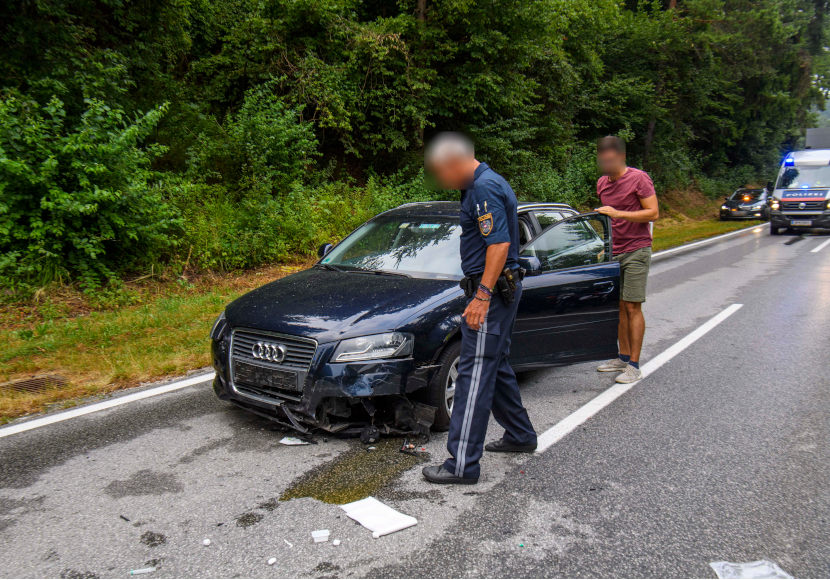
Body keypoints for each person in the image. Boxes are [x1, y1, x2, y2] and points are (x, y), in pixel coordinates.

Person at [421, 133, 537, 485]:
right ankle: (520, 435)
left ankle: (462, 465)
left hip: (492, 293)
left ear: (455, 162)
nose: (442, 180)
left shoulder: (485, 187)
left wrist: (482, 296)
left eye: (442, 172)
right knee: (494, 364)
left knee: (473, 373)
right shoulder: (479, 185)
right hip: (497, 290)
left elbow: (499, 244)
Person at [595, 136, 659, 384]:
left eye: (610, 159)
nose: (605, 163)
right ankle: (622, 358)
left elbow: (653, 212)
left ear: (621, 157)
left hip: (637, 249)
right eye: (602, 159)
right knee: (619, 307)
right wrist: (603, 247)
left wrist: (618, 212)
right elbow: (609, 220)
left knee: (632, 306)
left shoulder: (638, 178)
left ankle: (634, 365)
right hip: (614, 251)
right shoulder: (602, 183)